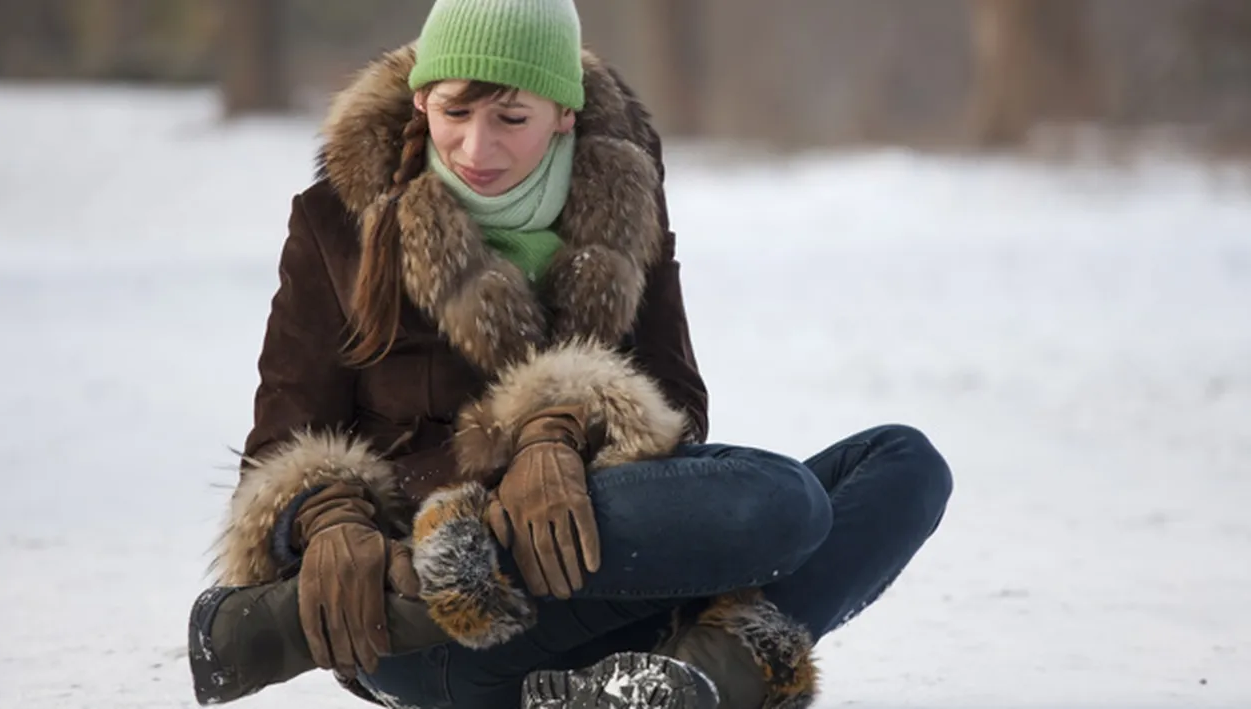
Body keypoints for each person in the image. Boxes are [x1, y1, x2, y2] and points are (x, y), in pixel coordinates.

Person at [187, 1, 954, 708]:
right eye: (455, 111)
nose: (476, 146)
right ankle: (319, 611)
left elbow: (679, 412)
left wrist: (558, 424)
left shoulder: (619, 204)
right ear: (422, 99)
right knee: (782, 502)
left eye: (510, 117)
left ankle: (676, 680)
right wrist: (328, 519)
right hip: (428, 637)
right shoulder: (337, 224)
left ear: (563, 114)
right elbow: (282, 445)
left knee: (900, 464)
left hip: (604, 586)